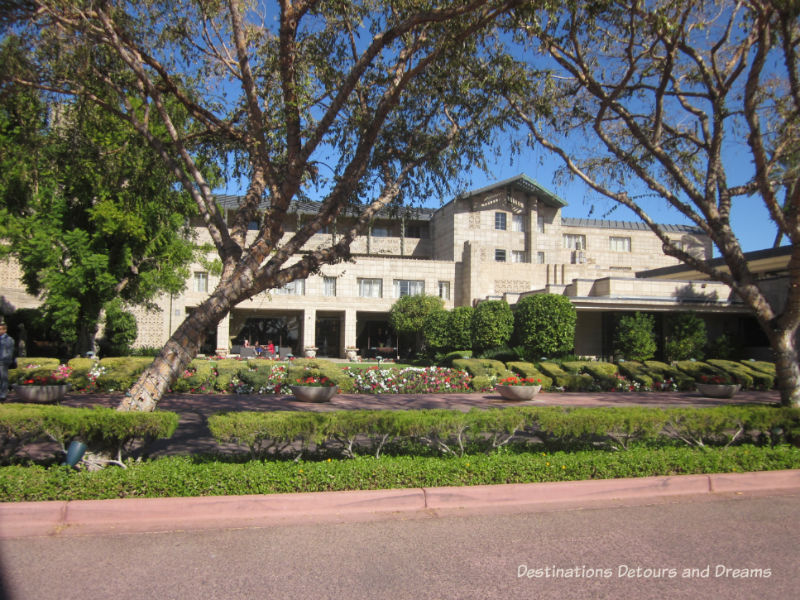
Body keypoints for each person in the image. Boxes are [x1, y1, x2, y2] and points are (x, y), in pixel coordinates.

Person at [0, 320, 15, 402]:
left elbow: (9, 352)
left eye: (0, 329)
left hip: (3, 362)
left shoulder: (9, 339)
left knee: (3, 378)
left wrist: (5, 359)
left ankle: (3, 395)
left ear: (4, 330)